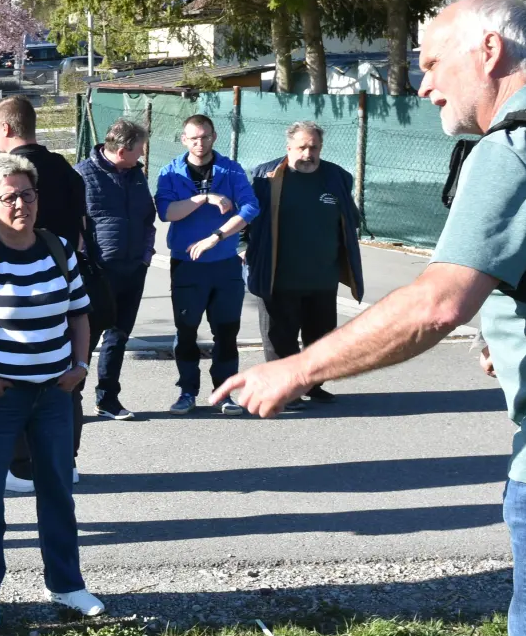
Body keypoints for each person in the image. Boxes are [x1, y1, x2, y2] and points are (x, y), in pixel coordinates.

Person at [214, 0, 526, 636]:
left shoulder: (512, 151)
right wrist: (508, 337)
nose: (423, 85)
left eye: (432, 62)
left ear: (489, 50)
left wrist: (296, 370)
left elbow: (435, 305)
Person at [0, 154, 105, 629]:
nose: (21, 204)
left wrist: (80, 366)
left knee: (58, 491)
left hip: (55, 393)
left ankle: (66, 584)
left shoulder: (58, 248)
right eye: (9, 197)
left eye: (28, 194)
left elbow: (79, 314)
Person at [0, 95, 92, 492]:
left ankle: (22, 467)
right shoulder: (67, 170)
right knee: (64, 381)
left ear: (5, 128)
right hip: (61, 290)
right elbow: (79, 235)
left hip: (10, 302)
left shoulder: (1, 177)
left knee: (14, 380)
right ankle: (65, 460)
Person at [244, 121, 363, 408]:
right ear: (288, 147)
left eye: (314, 147)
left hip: (322, 277)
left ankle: (312, 384)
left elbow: (350, 219)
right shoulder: (265, 176)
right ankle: (284, 390)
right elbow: (245, 216)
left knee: (320, 339)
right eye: (302, 147)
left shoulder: (337, 177)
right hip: (277, 276)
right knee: (279, 338)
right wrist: (241, 248)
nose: (308, 153)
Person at [155, 114, 259, 415]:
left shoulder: (231, 170)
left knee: (226, 332)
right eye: (193, 137)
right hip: (188, 266)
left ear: (214, 137)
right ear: (184, 139)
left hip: (225, 265)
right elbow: (167, 212)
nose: (199, 143)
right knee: (186, 331)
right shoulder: (170, 172)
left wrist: (218, 236)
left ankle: (224, 393)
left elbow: (251, 206)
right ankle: (187, 391)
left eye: (205, 136)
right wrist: (204, 198)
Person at [75, 118, 156, 420]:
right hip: (98, 273)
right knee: (87, 337)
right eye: (139, 151)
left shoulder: (136, 176)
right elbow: (77, 226)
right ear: (123, 150)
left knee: (118, 336)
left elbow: (148, 218)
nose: (142, 156)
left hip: (134, 269)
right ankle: (72, 399)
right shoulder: (82, 175)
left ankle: (108, 399)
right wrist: (87, 265)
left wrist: (146, 257)